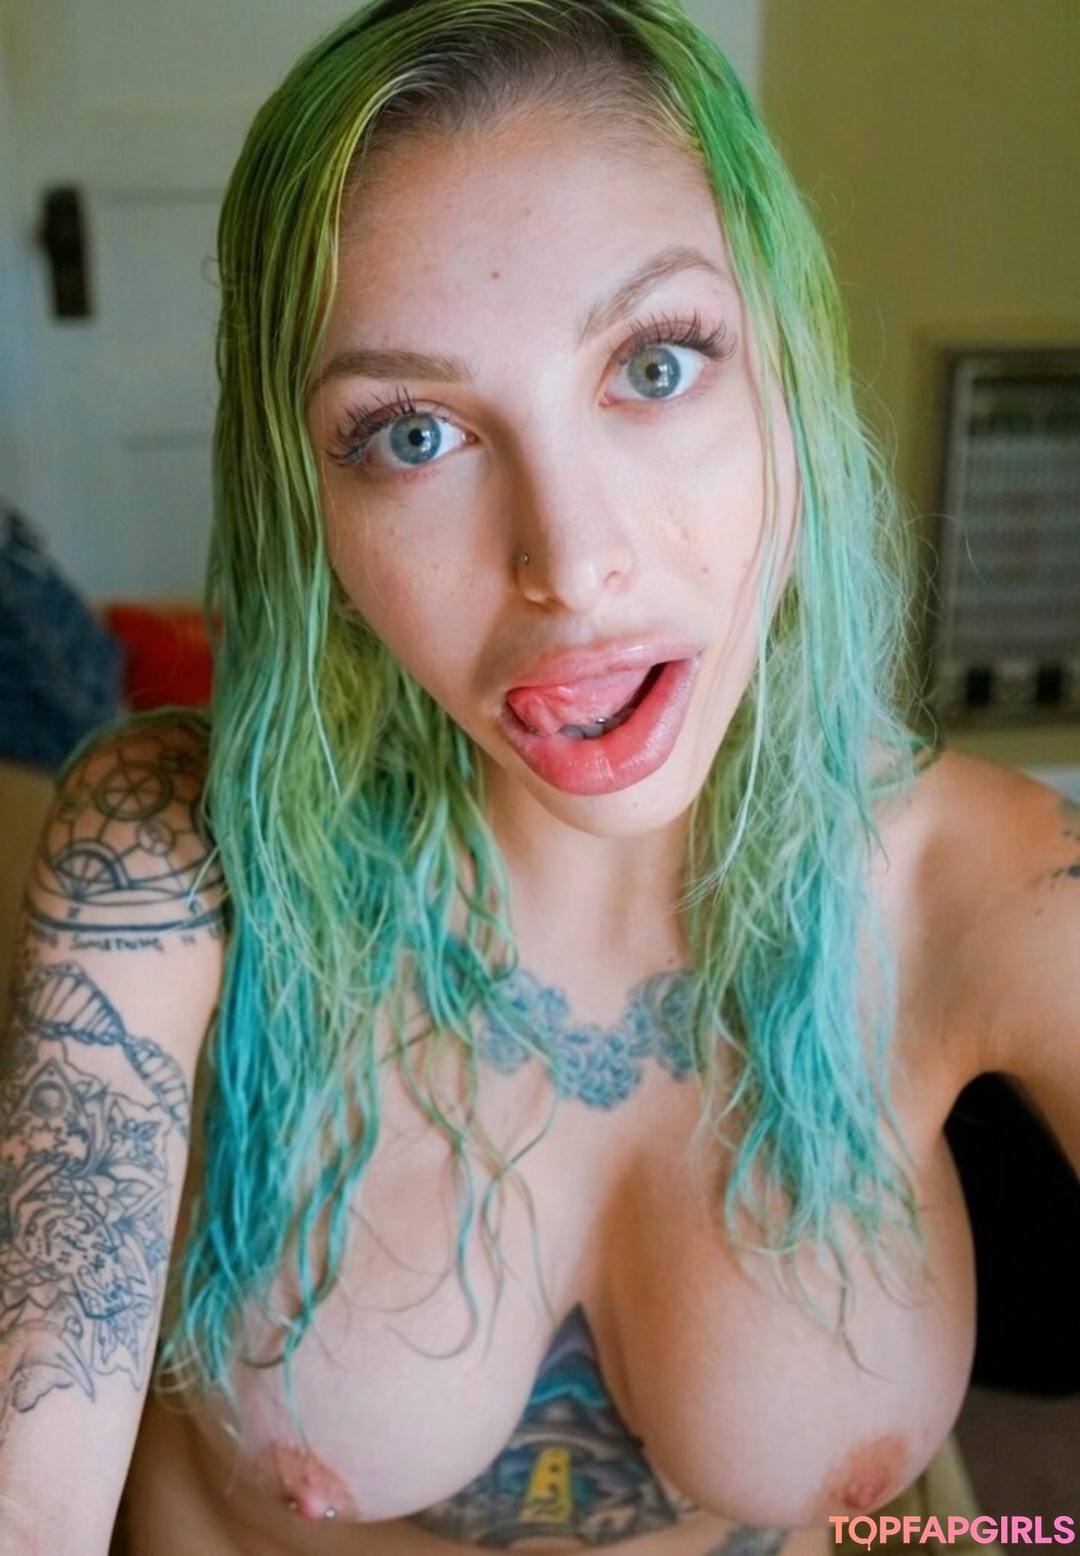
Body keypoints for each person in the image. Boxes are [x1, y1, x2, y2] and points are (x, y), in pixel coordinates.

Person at [1, 2, 1077, 1552]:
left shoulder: (992, 887)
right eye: (412, 434)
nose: (570, 565)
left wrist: (994, 1543)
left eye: (656, 364)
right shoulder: (170, 860)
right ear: (307, 500)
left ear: (787, 367)